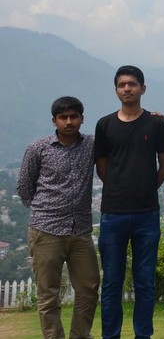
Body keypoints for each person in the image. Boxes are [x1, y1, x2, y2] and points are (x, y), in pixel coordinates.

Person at [95, 65, 164, 339]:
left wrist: (146, 188)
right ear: (116, 89)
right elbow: (102, 167)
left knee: (145, 282)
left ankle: (143, 335)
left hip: (146, 214)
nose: (127, 88)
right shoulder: (105, 125)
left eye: (132, 84)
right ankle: (110, 335)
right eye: (121, 84)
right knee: (111, 282)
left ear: (143, 88)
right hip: (113, 213)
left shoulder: (157, 124)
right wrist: (120, 188)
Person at [17, 96, 100, 339]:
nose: (69, 122)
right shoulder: (38, 148)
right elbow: (24, 187)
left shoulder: (91, 145)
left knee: (89, 288)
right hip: (46, 230)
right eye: (63, 117)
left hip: (80, 230)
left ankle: (80, 335)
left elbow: (123, 134)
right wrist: (44, 211)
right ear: (54, 120)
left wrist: (151, 120)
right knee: (48, 294)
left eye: (74, 116)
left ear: (82, 119)